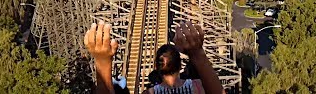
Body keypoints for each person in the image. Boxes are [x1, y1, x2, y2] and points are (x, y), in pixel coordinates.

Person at [84, 21, 225, 94]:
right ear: (180, 65)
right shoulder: (198, 86)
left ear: (157, 67)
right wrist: (197, 54)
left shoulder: (149, 92)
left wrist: (102, 63)